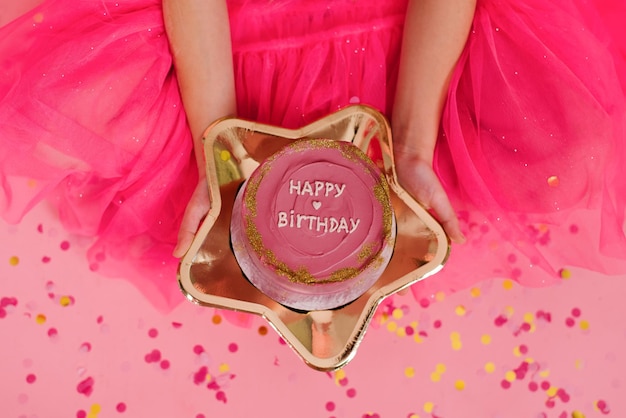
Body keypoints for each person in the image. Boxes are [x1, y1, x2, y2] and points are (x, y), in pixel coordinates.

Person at [1, 0, 625, 311]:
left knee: (568, 146)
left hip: (410, 43)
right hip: (235, 44)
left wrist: (409, 145)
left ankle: (388, 192)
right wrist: (220, 145)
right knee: (65, 109)